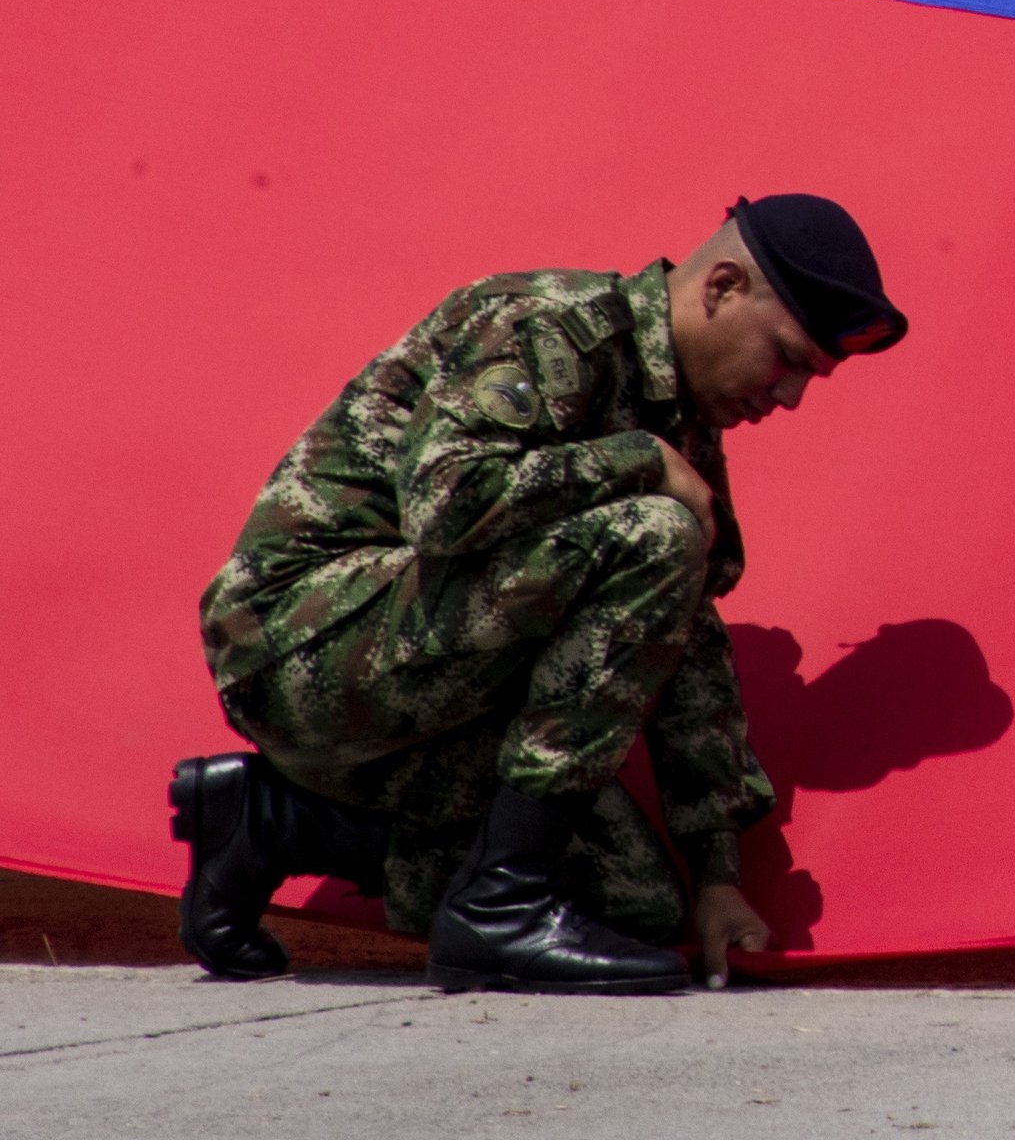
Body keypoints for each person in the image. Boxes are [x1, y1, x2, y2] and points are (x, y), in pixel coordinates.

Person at [171, 194, 906, 995]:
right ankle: (501, 906)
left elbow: (684, 636)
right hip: (299, 645)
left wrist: (715, 872)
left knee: (635, 903)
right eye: (789, 357)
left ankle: (275, 822)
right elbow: (445, 502)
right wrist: (638, 459)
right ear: (722, 286)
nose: (791, 396)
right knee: (658, 533)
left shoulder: (680, 416)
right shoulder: (548, 325)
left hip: (432, 687)